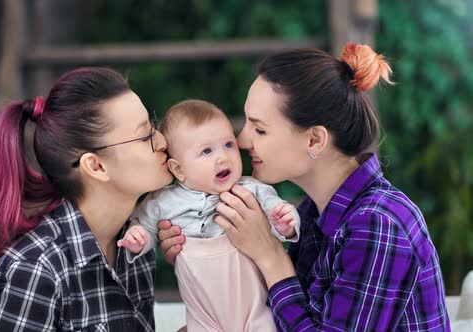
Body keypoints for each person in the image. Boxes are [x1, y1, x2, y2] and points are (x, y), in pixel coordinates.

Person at [158, 43, 451, 331]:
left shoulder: (378, 225)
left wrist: (270, 255)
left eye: (259, 128)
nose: (243, 141)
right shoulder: (315, 210)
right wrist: (203, 257)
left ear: (314, 140)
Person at [0, 67, 173, 331]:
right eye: (144, 136)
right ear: (96, 167)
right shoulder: (35, 268)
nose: (162, 141)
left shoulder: (135, 246)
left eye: (153, 125)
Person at [117, 99, 300, 331]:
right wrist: (138, 237)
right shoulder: (163, 201)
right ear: (178, 169)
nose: (223, 157)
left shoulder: (249, 189)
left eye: (228, 145)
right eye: (207, 151)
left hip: (253, 311)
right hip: (204, 319)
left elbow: (276, 209)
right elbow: (144, 225)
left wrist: (284, 222)